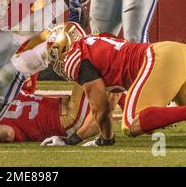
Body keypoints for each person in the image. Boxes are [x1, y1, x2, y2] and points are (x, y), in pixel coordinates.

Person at [47, 22, 186, 146]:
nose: (57, 63)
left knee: (132, 123)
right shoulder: (99, 41)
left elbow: (100, 110)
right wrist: (80, 139)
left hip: (158, 58)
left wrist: (102, 139)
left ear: (64, 48)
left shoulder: (77, 58)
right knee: (149, 120)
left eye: (54, 55)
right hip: (175, 50)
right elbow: (103, 112)